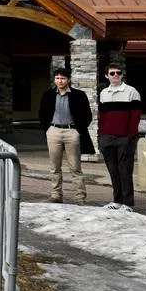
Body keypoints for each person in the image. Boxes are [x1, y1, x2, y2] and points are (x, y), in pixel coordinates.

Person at [38, 67, 95, 204]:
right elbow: (42, 113)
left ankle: (79, 197)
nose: (60, 81)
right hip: (54, 131)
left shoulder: (79, 95)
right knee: (54, 166)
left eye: (62, 78)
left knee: (75, 167)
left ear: (68, 79)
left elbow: (87, 115)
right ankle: (56, 195)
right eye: (57, 78)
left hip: (72, 132)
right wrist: (47, 129)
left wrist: (78, 130)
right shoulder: (48, 95)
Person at [97, 63, 142, 212]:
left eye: (118, 73)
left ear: (122, 75)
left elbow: (135, 116)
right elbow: (102, 117)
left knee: (125, 170)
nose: (115, 75)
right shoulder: (104, 93)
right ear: (106, 76)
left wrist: (131, 135)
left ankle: (127, 203)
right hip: (107, 137)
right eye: (112, 73)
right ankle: (117, 200)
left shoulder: (131, 92)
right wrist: (101, 135)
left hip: (125, 138)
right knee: (113, 170)